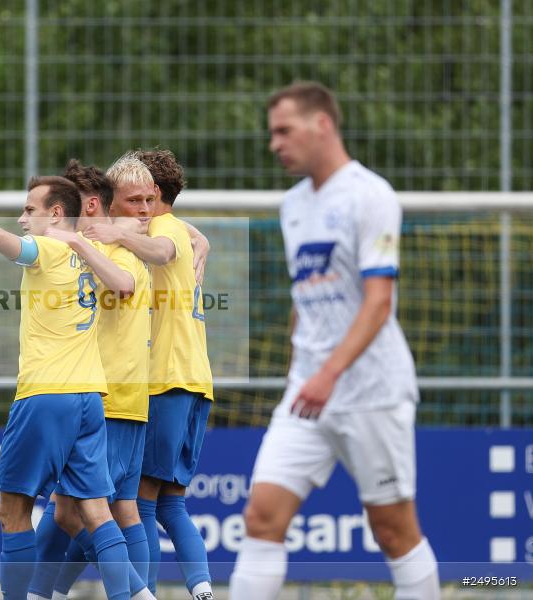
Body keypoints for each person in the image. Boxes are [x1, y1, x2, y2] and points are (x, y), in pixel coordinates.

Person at [228, 81, 440, 600]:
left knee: (393, 531)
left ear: (322, 124)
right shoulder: (293, 205)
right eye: (271, 133)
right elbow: (309, 295)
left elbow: (378, 302)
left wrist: (329, 373)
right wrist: (304, 367)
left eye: (284, 130)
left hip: (371, 392)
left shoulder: (371, 195)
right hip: (307, 393)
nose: (275, 143)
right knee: (260, 516)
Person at [0, 176, 139, 600]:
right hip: (89, 399)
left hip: (46, 395)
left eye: (30, 210)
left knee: (13, 511)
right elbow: (125, 282)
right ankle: (134, 596)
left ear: (56, 214)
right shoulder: (93, 252)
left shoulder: (46, 248)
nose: (22, 218)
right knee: (97, 512)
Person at [86, 149, 215, 600]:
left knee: (135, 503)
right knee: (171, 503)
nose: (140, 210)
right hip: (196, 380)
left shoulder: (163, 231)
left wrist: (107, 233)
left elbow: (161, 248)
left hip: (163, 379)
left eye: (146, 199)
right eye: (131, 201)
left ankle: (146, 593)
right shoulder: (178, 227)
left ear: (156, 195)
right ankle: (201, 589)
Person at [28, 158, 155, 600]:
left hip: (107, 398)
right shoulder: (116, 248)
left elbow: (121, 285)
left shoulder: (109, 256)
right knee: (80, 510)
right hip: (120, 398)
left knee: (91, 512)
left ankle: (138, 594)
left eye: (69, 210)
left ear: (93, 206)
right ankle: (46, 594)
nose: (59, 220)